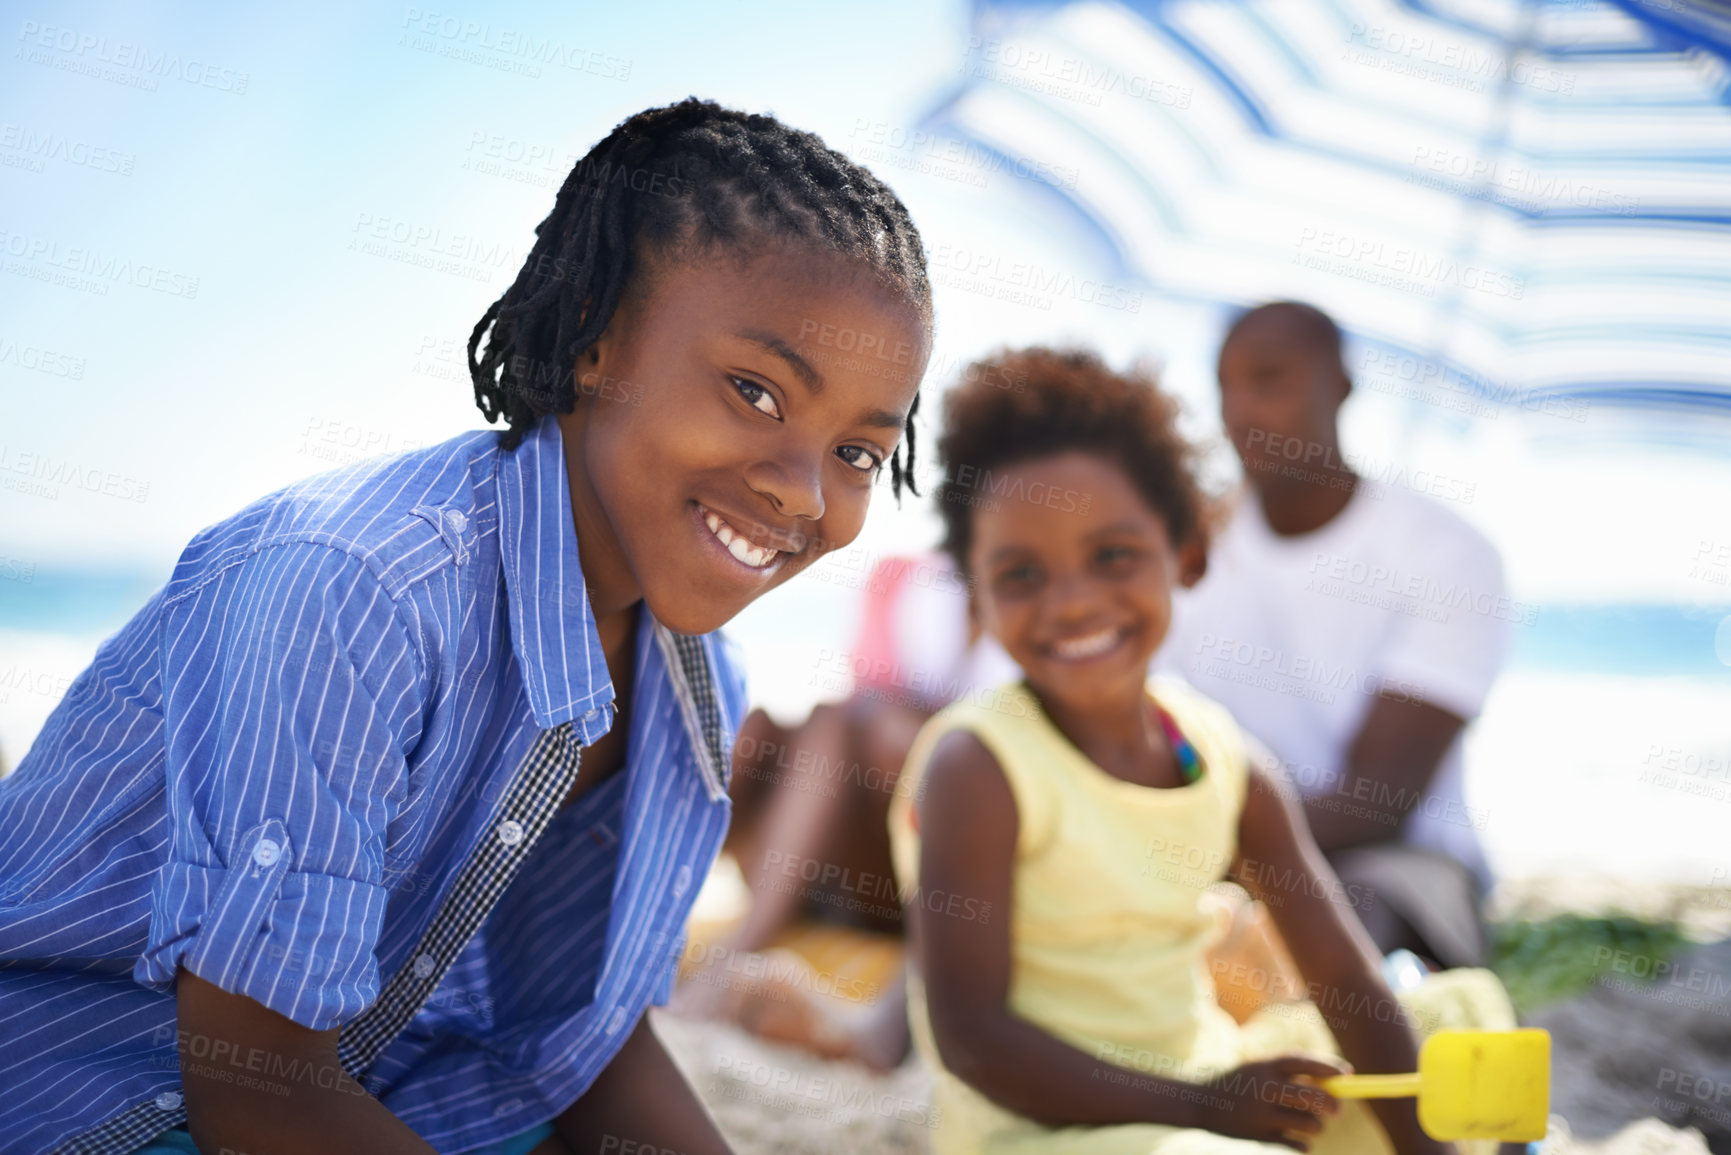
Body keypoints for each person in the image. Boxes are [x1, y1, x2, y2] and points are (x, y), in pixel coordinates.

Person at [0, 99, 933, 1155]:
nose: (804, 493)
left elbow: (578, 1046)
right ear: (594, 334)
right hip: (107, 1101)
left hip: (384, 1080)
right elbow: (256, 1090)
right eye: (757, 393)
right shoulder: (357, 593)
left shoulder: (695, 671)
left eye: (858, 452)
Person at [888, 347, 1517, 1154]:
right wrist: (1201, 1106)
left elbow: (1341, 974)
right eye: (1020, 574)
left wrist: (1418, 1145)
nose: (1072, 601)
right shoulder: (977, 766)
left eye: (1112, 556)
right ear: (975, 596)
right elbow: (972, 1038)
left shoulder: (1222, 759)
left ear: (1185, 554)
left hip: (1203, 1086)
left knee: (1460, 1017)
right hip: (1051, 1127)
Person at [1158, 302, 1512, 969]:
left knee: (1326, 916)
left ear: (1341, 388)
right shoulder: (1193, 547)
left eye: (1268, 380)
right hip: (1222, 848)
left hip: (1400, 868)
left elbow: (1379, 804)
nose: (1240, 410)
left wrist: (1188, 852)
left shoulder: (1447, 554)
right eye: (1225, 386)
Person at [668, 549, 1017, 1070]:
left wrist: (920, 736)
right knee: (768, 729)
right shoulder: (904, 582)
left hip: (927, 875)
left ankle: (737, 951)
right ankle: (648, 914)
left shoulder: (1043, 610)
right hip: (848, 853)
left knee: (914, 750)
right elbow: (861, 707)